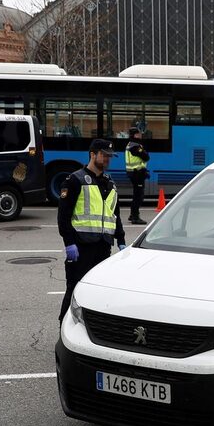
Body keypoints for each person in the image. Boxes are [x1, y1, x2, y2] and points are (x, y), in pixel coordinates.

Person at [58, 138, 126, 322]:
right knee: (74, 289)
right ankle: (64, 326)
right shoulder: (75, 180)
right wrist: (69, 244)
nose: (107, 159)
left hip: (103, 248)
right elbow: (63, 217)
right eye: (104, 155)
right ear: (92, 155)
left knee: (97, 291)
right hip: (80, 248)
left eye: (109, 156)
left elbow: (114, 214)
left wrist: (121, 241)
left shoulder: (110, 183)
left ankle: (90, 327)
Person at [124, 127, 151, 225]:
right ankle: (135, 217)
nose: (141, 135)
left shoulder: (130, 144)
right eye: (139, 133)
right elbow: (146, 157)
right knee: (138, 196)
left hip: (134, 173)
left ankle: (132, 215)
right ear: (135, 135)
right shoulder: (135, 146)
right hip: (137, 173)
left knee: (136, 195)